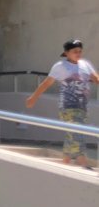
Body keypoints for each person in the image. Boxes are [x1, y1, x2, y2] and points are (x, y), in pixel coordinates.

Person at [25, 39, 99, 168]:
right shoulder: (60, 66)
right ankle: (83, 163)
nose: (78, 54)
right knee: (77, 132)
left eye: (80, 51)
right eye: (75, 51)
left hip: (82, 106)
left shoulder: (85, 64)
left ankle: (65, 162)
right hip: (68, 107)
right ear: (66, 53)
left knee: (72, 134)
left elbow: (96, 79)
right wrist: (33, 98)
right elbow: (46, 83)